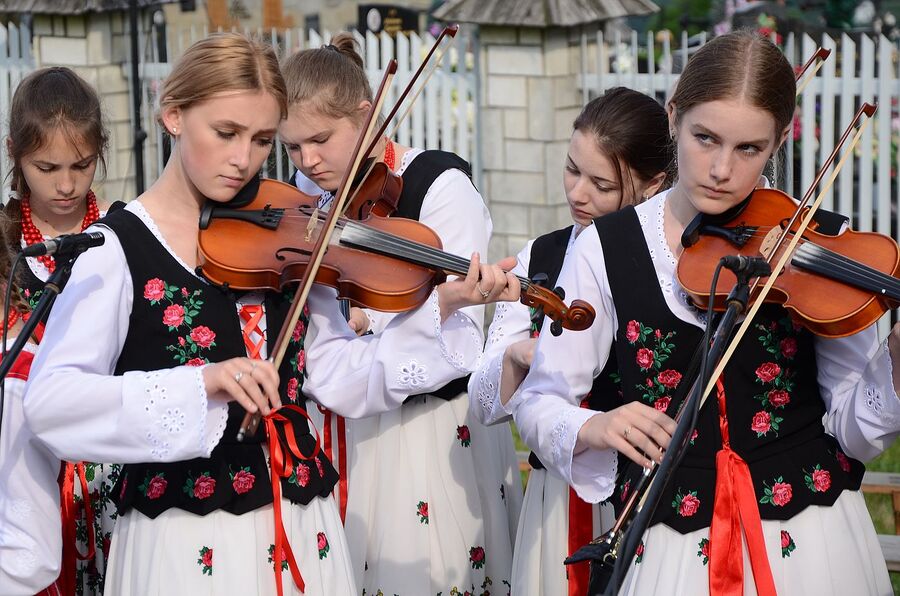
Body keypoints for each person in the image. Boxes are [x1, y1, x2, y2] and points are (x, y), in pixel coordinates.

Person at [24, 32, 519, 596]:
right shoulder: (113, 248)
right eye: (226, 133)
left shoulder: (289, 233)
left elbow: (337, 377)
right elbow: (51, 405)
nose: (245, 160)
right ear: (174, 116)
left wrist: (439, 308)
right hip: (187, 542)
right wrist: (201, 383)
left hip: (306, 525)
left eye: (262, 139)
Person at [511, 30, 896, 595]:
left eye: (749, 149)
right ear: (672, 116)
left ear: (777, 142)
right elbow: (539, 402)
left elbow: (852, 432)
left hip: (809, 543)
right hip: (669, 541)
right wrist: (597, 424)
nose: (721, 169)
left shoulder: (822, 248)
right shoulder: (605, 247)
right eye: (705, 138)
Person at [278, 33, 522, 594]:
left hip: (423, 428)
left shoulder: (440, 187)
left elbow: (458, 336)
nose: (307, 162)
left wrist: (367, 320)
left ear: (367, 116)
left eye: (319, 140)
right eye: (292, 148)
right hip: (334, 417)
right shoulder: (306, 191)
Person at [468, 86, 670, 596]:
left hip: (650, 496)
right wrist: (516, 356)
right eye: (572, 169)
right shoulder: (543, 254)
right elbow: (482, 404)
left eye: (601, 184)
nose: (578, 194)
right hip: (558, 497)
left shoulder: (670, 267)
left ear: (654, 184)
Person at [2, 65, 114, 594]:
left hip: (113, 471)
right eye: (46, 167)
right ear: (14, 155)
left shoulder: (123, 234)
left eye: (82, 165)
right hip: (28, 485)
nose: (67, 185)